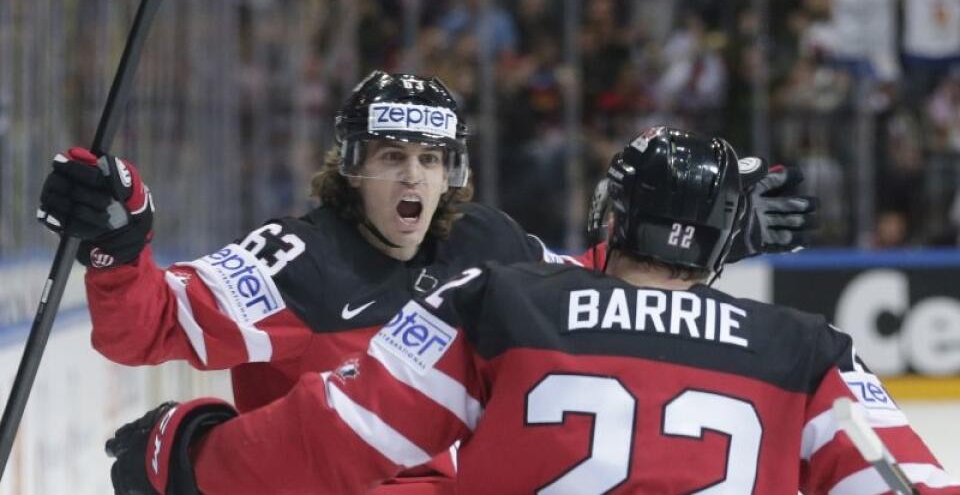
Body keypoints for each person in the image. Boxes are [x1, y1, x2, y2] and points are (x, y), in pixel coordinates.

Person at [39, 72, 814, 492]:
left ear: (453, 172)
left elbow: (589, 298)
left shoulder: (489, 239)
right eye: (392, 156)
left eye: (431, 160)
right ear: (352, 167)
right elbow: (144, 325)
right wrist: (117, 241)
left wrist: (688, 240)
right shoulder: (292, 260)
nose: (414, 176)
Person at [105, 127, 958, 494]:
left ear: (609, 216)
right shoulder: (809, 350)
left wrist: (188, 458)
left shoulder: (500, 302)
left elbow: (333, 440)